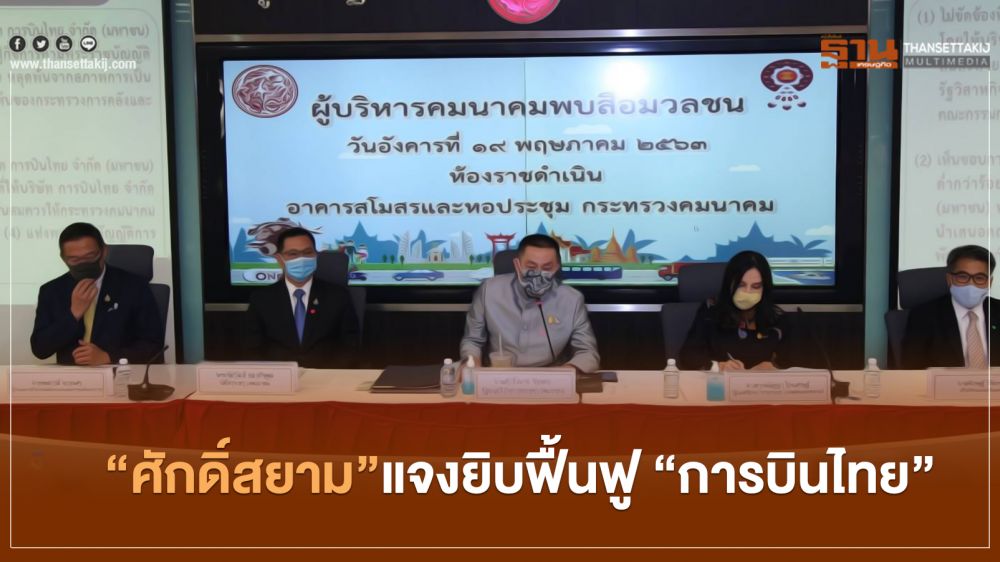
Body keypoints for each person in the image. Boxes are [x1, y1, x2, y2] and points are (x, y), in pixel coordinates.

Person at [460, 234, 600, 373]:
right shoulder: (489, 290)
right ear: (517, 265)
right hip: (499, 374)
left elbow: (588, 352)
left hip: (551, 375)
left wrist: (565, 373)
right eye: (531, 266)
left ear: (556, 267)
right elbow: (472, 341)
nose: (538, 274)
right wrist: (472, 363)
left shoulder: (572, 299)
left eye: (547, 268)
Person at [30, 222, 164, 365]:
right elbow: (40, 349)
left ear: (104, 251)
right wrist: (73, 314)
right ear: (63, 259)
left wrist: (108, 357)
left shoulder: (134, 286)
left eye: (90, 256)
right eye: (74, 260)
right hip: (71, 375)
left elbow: (154, 345)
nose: (84, 264)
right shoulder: (51, 291)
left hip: (118, 372)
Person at [243, 227, 358, 368]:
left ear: (315, 256)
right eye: (293, 254)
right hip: (278, 377)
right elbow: (252, 349)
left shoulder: (338, 296)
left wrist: (328, 377)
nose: (301, 259)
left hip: (326, 376)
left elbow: (350, 347)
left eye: (308, 252)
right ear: (280, 259)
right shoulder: (261, 299)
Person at [679, 250, 795, 371]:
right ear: (730, 283)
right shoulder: (711, 310)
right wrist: (718, 367)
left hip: (762, 382)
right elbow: (688, 358)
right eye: (741, 285)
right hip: (720, 381)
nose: (748, 292)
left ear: (764, 288)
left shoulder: (776, 318)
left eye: (756, 286)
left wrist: (774, 367)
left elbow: (789, 362)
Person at [902, 245, 998, 369]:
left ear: (990, 282)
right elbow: (911, 369)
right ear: (949, 279)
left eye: (979, 278)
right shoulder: (923, 317)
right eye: (963, 276)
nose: (971, 284)